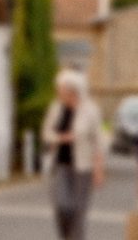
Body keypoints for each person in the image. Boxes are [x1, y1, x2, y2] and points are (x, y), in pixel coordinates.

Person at [42, 69, 106, 240]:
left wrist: (98, 169)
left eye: (61, 89)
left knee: (79, 211)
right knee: (62, 206)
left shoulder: (90, 110)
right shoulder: (56, 108)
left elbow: (98, 141)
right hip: (61, 165)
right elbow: (46, 133)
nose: (58, 92)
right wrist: (61, 138)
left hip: (83, 168)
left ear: (72, 91)